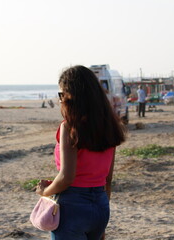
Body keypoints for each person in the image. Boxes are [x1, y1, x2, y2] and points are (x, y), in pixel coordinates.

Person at [36, 65, 127, 240]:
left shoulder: (69, 127)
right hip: (101, 205)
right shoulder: (109, 125)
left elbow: (66, 177)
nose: (60, 100)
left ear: (72, 96)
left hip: (73, 206)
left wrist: (45, 191)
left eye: (62, 95)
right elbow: (108, 179)